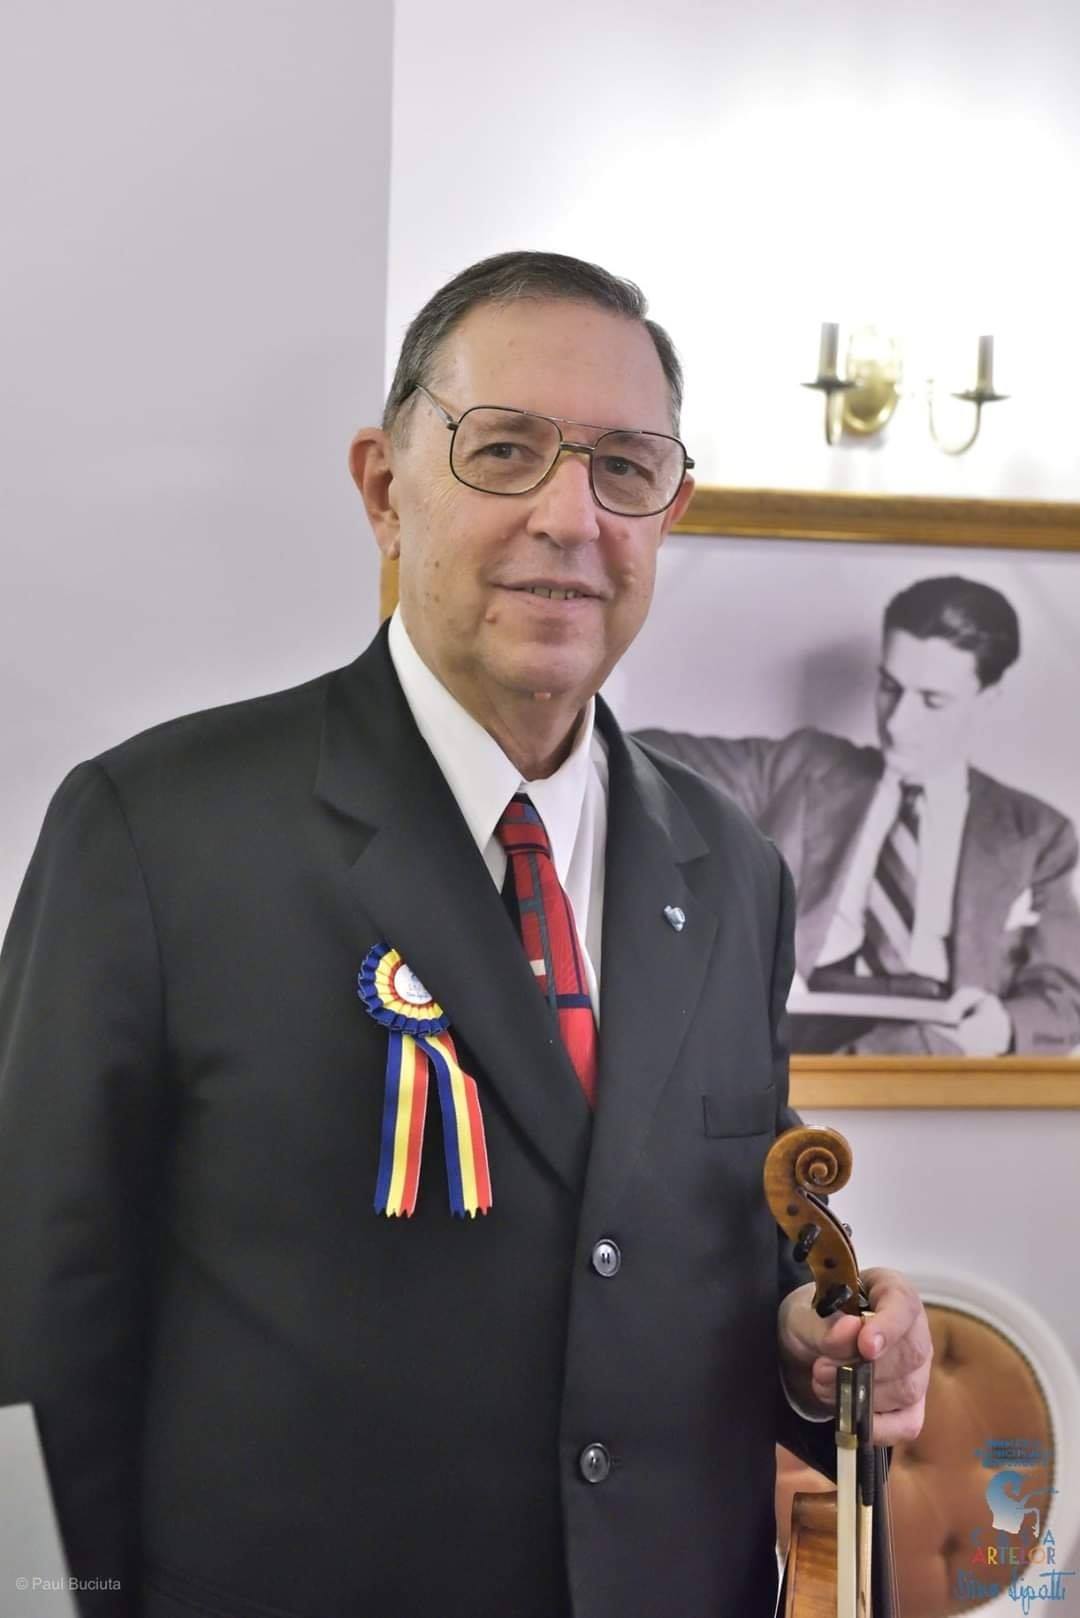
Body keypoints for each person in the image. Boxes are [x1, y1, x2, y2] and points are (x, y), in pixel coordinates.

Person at [0, 251, 932, 1618]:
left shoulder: (736, 869)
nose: (571, 516)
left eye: (624, 468)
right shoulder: (153, 833)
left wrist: (807, 1343)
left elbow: (693, 1253)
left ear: (669, 511)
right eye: (505, 451)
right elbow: (32, 1325)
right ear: (386, 488)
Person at [637, 575, 1080, 1057]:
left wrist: (1002, 1028)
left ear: (988, 699)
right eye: (890, 688)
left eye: (933, 700)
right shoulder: (803, 766)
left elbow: (1063, 995)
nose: (899, 722)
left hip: (939, 1054)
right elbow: (650, 758)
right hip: (792, 1040)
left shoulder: (1038, 834)